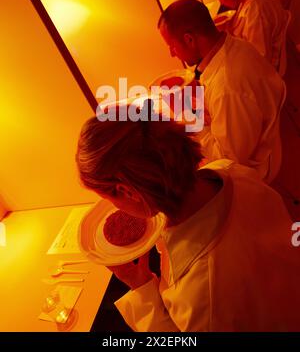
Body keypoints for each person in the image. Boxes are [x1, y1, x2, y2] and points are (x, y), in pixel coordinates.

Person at [76, 110, 300, 332]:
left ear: (128, 192)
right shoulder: (229, 170)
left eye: (107, 199)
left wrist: (141, 286)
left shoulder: (202, 292)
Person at [158, 0, 286, 183]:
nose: (172, 53)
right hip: (259, 132)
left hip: (258, 164)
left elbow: (228, 159)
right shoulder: (234, 45)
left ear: (189, 39)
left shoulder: (226, 85)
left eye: (172, 46)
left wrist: (187, 114)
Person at [207, 0, 291, 75]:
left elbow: (261, 57)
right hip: (258, 58)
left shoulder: (257, 11)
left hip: (268, 68)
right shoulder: (248, 0)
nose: (221, 3)